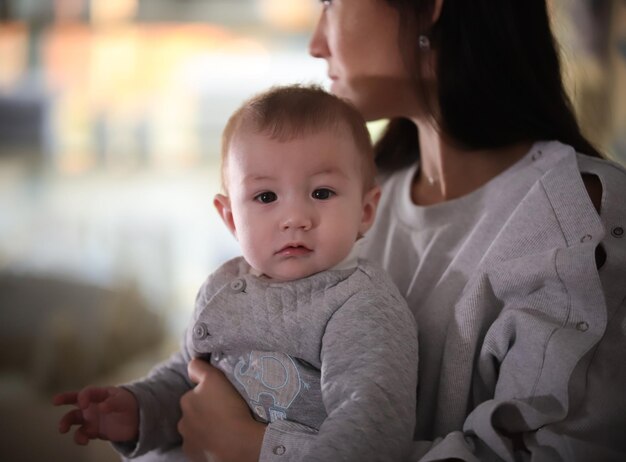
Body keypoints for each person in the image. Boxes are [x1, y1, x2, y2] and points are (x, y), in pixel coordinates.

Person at [173, 0, 626, 461]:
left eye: (330, 4)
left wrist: (258, 449)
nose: (315, 45)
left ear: (429, 9)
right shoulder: (352, 200)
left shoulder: (581, 218)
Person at [53, 85, 419, 462]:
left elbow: (370, 430)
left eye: (322, 193)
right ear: (230, 218)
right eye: (265, 197)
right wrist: (136, 408)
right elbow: (188, 375)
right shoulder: (223, 287)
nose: (295, 218)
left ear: (365, 210)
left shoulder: (360, 304)